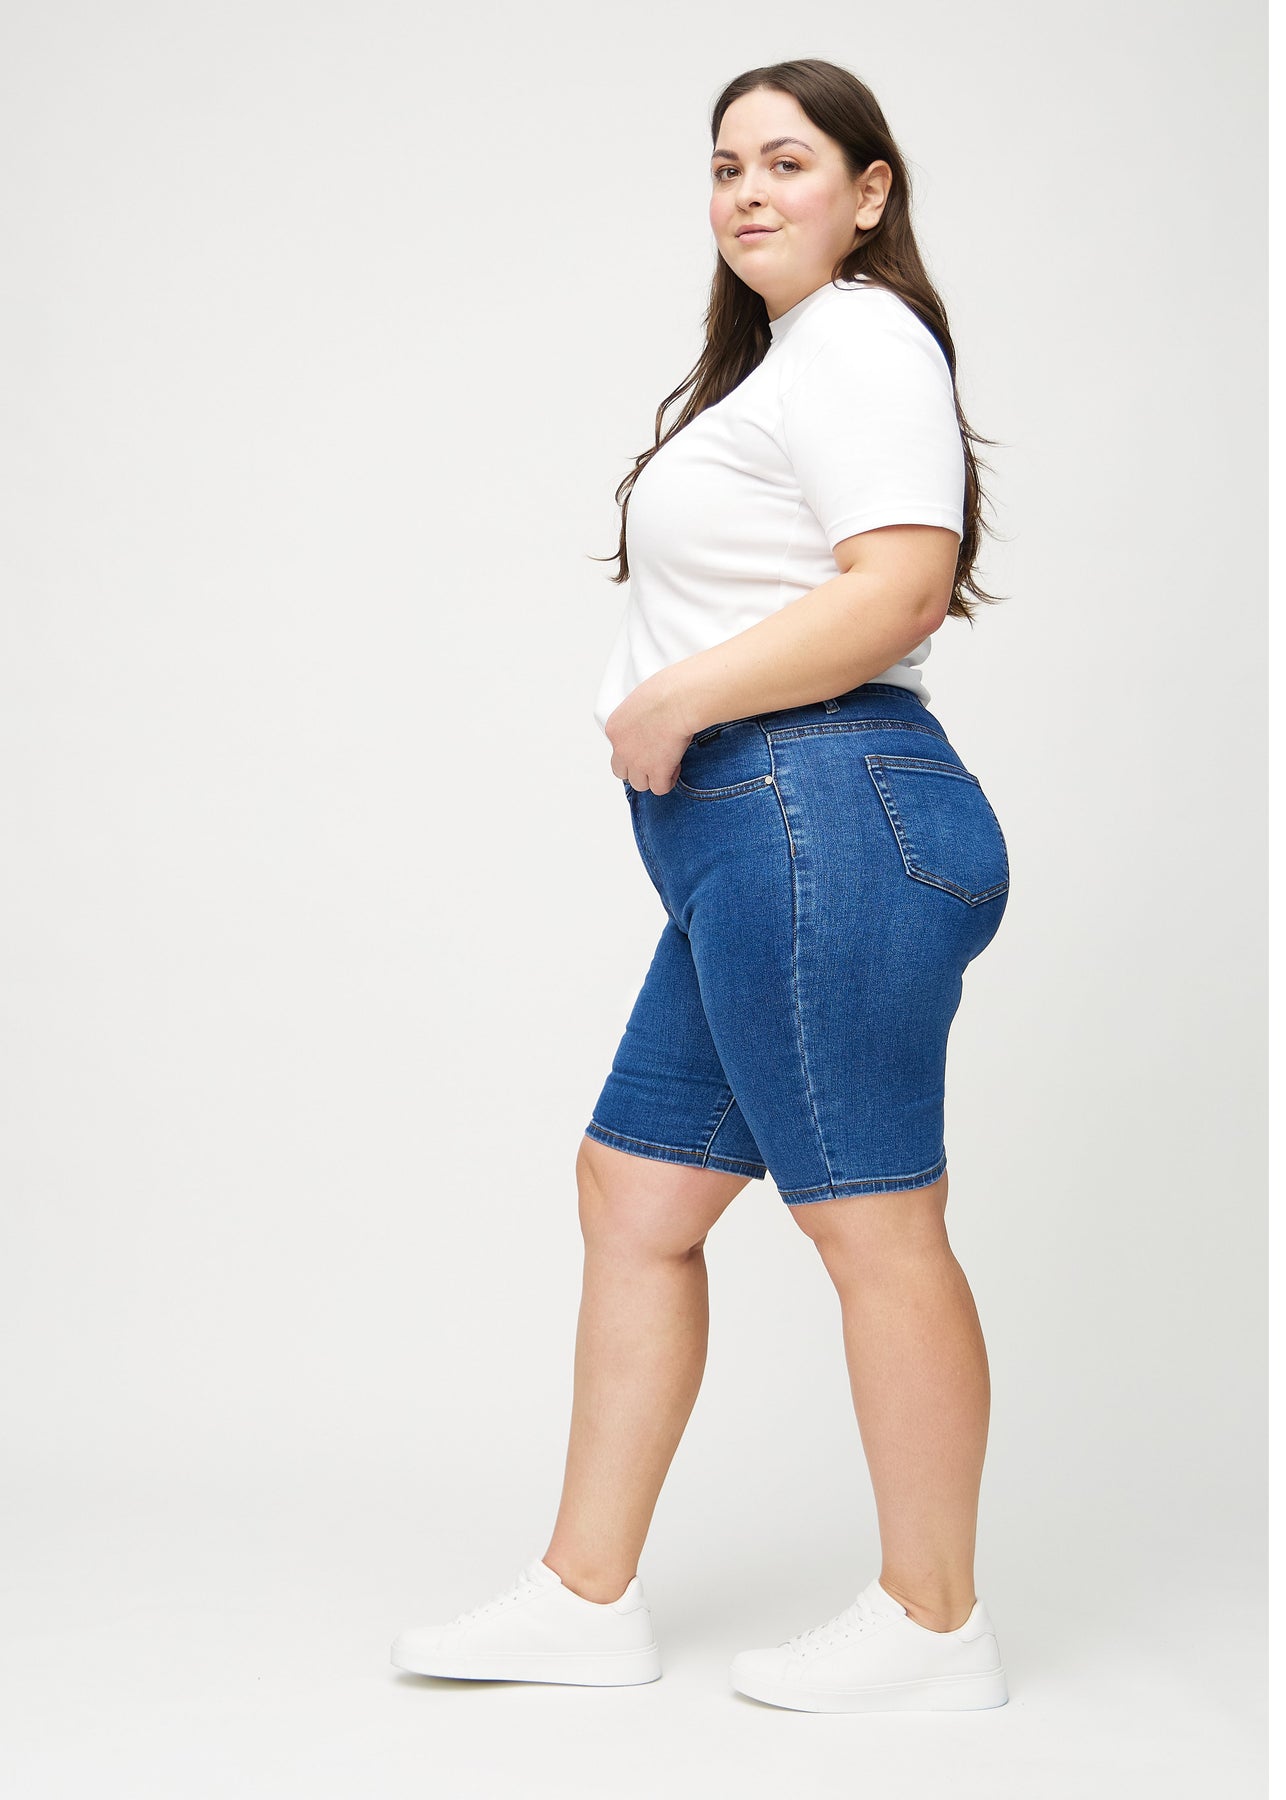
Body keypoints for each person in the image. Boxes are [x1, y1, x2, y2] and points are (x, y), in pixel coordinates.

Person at [391, 57, 1013, 1715]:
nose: (746, 190)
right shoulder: (790, 364)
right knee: (635, 1195)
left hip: (820, 815)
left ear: (868, 193)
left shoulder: (863, 338)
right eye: (725, 165)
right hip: (768, 835)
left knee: (874, 1220)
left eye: (787, 162)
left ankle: (934, 1625)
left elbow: (901, 588)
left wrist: (672, 698)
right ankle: (583, 1598)